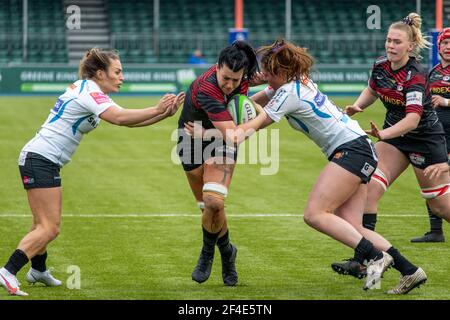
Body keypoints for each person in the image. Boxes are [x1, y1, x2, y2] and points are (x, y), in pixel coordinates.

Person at [185, 38, 426, 294]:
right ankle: (410, 271)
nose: (264, 76)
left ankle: (375, 257)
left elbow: (243, 131)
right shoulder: (296, 83)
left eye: (269, 72)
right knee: (354, 227)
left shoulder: (288, 93)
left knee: (314, 214)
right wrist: (240, 101)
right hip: (361, 148)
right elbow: (252, 103)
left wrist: (206, 133)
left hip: (351, 151)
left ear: (283, 72)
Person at [0, 48, 184, 297]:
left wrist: (162, 113)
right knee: (50, 228)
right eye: (117, 72)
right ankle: (8, 271)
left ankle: (38, 271)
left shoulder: (91, 90)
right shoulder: (89, 92)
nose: (122, 77)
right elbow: (119, 118)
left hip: (42, 159)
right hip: (40, 159)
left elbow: (127, 121)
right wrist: (156, 109)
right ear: (100, 73)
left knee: (40, 224)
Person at [332, 13, 449, 290]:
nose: (390, 45)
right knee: (367, 191)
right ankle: (365, 260)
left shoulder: (416, 75)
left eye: (397, 41)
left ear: (410, 46)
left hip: (424, 140)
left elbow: (412, 120)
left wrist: (382, 134)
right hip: (395, 140)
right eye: (388, 40)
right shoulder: (381, 66)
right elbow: (372, 89)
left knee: (439, 204)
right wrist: (357, 106)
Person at [177, 40, 261, 286]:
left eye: (236, 80)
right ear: (216, 67)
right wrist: (264, 116)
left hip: (217, 140)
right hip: (189, 141)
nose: (230, 85)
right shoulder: (208, 89)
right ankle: (227, 251)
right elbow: (235, 133)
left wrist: (206, 134)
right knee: (208, 208)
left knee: (214, 201)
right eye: (226, 78)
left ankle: (206, 254)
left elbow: (232, 135)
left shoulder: (242, 78)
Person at [410, 28, 450, 243]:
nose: (448, 47)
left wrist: (446, 102)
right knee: (431, 178)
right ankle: (436, 231)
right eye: (444, 43)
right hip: (435, 136)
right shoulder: (432, 72)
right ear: (439, 46)